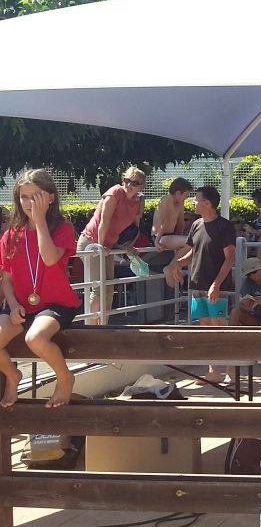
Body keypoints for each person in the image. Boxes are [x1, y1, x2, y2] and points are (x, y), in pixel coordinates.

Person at [0, 169, 81, 408]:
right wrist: (13, 306)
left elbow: (48, 258)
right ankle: (13, 375)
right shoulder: (11, 235)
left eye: (36, 196)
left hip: (56, 304)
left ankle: (65, 377)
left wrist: (40, 221)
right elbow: (6, 278)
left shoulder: (63, 229)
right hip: (22, 305)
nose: (29, 202)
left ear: (50, 198)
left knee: (35, 338)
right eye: (24, 197)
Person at [165, 186, 235, 383]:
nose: (193, 202)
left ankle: (230, 370)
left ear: (207, 203)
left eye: (196, 199)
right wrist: (177, 263)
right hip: (197, 284)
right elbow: (193, 252)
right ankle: (213, 371)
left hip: (218, 286)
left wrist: (217, 284)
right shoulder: (196, 225)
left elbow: (229, 259)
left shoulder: (225, 226)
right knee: (205, 327)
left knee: (220, 326)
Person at [77, 166, 145, 324]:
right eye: (127, 181)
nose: (129, 185)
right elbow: (104, 221)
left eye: (134, 183)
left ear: (142, 186)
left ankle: (103, 327)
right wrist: (100, 247)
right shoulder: (114, 193)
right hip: (91, 243)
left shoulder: (139, 200)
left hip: (108, 246)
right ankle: (91, 329)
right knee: (98, 288)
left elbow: (134, 228)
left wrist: (128, 247)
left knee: (108, 288)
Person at [152, 177, 193, 252]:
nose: (187, 197)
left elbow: (181, 224)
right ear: (178, 193)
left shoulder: (180, 202)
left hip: (171, 235)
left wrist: (179, 237)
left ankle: (178, 261)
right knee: (192, 241)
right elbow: (165, 221)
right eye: (186, 195)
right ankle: (176, 263)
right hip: (160, 236)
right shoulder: (168, 199)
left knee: (193, 241)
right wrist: (156, 242)